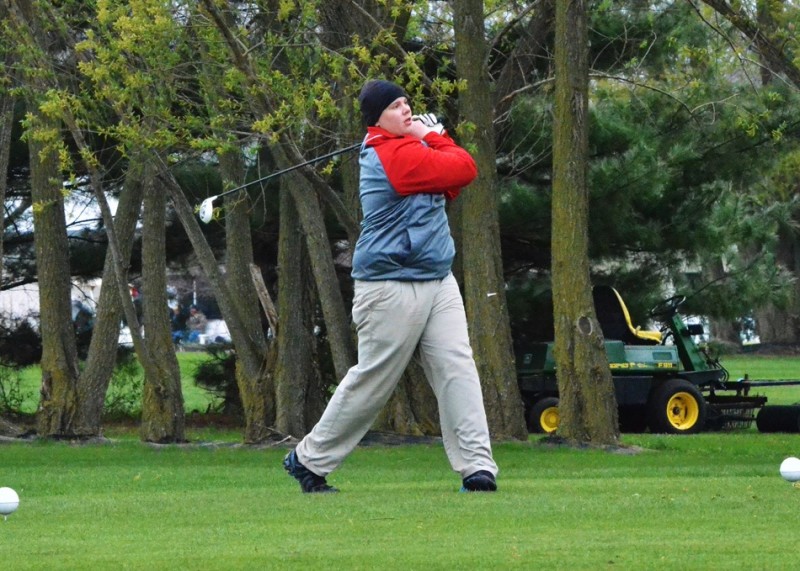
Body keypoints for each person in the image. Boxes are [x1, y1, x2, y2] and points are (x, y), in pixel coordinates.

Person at [283, 79, 499, 494]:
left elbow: (455, 177)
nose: (407, 110)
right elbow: (465, 167)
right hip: (388, 285)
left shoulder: (413, 148)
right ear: (377, 119)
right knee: (375, 380)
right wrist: (434, 136)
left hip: (437, 278)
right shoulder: (389, 154)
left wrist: (431, 141)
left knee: (458, 368)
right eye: (397, 106)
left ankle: (477, 468)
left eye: (407, 104)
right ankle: (308, 459)